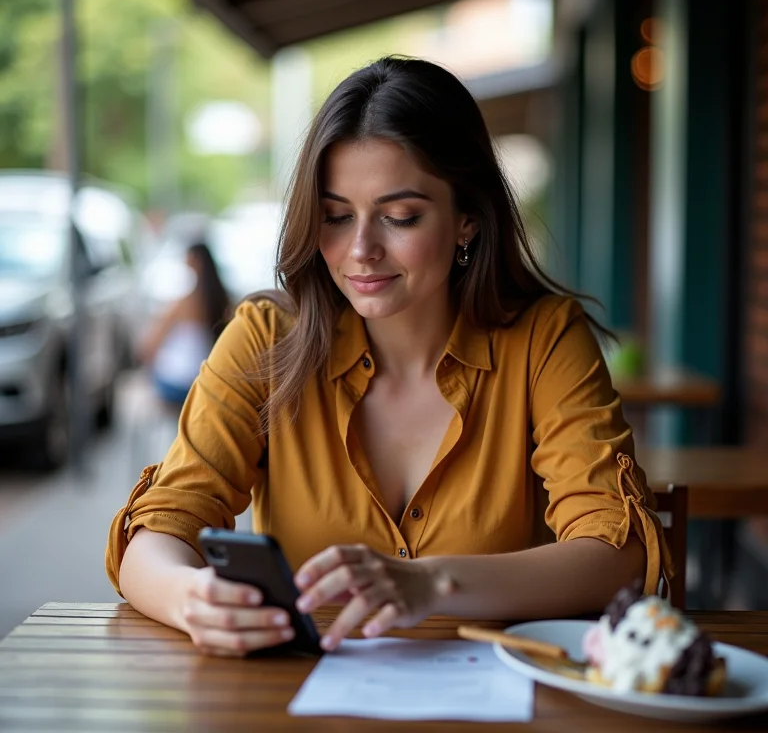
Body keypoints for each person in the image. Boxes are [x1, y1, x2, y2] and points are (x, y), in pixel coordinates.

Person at [107, 57, 672, 658]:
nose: (360, 250)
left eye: (400, 217)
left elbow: (616, 553)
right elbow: (160, 527)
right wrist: (191, 598)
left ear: (467, 222)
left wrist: (431, 582)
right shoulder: (265, 341)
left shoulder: (545, 340)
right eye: (336, 216)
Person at [138, 242, 230, 406]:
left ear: (195, 261)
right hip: (208, 378)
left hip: (179, 384)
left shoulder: (184, 302)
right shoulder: (223, 300)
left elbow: (149, 345)